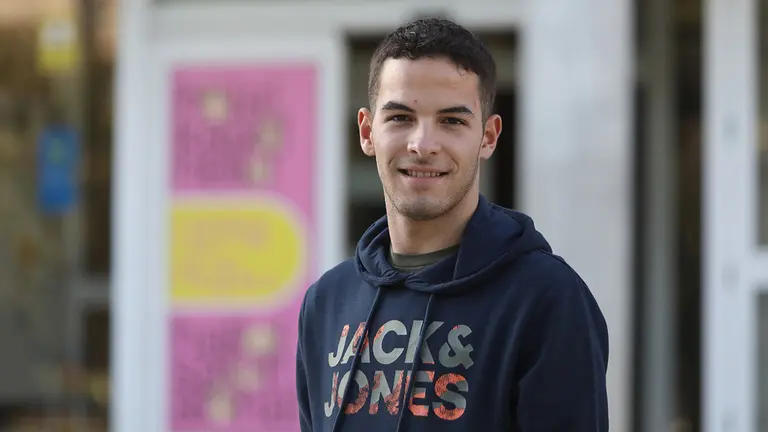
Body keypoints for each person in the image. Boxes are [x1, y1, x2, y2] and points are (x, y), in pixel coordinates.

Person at [295, 18, 609, 432]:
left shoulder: (545, 299)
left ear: (488, 137)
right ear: (368, 131)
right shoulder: (327, 303)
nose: (423, 145)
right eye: (401, 117)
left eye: (452, 121)